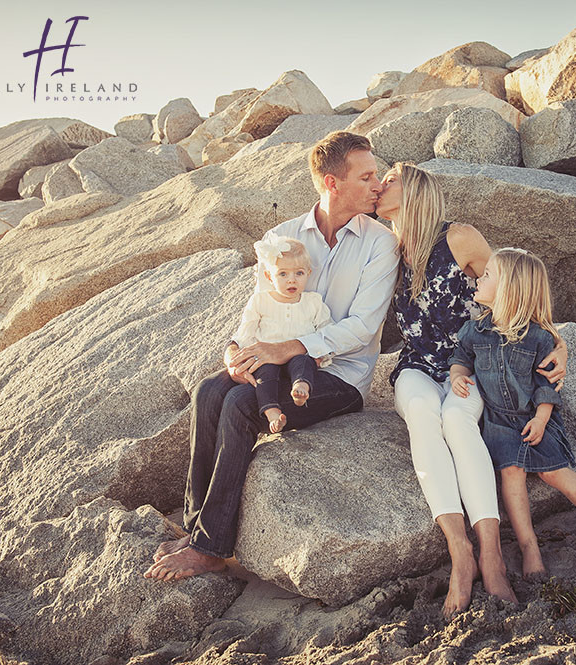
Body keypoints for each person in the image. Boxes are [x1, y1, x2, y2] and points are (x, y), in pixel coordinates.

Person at [145, 131, 399, 581]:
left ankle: (211, 547)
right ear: (331, 183)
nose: (377, 184)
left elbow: (363, 327)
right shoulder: (281, 238)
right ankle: (196, 526)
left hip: (340, 378)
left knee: (242, 406)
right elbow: (258, 310)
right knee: (210, 390)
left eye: (376, 175)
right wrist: (235, 352)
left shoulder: (380, 242)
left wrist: (290, 348)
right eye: (367, 176)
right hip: (272, 363)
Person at [377, 163, 568, 618]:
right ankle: (460, 551)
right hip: (416, 365)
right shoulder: (383, 246)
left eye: (388, 180)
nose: (377, 186)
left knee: (457, 421)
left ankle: (492, 552)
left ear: (415, 190)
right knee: (423, 414)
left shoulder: (459, 238)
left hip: (473, 362)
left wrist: (558, 341)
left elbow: (515, 288)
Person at [448, 248, 576, 577]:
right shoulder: (477, 330)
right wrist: (458, 376)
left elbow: (547, 385)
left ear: (509, 289)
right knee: (511, 474)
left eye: (487, 275)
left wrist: (542, 418)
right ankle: (530, 548)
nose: (478, 278)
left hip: (534, 416)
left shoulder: (538, 338)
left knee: (553, 472)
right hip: (498, 422)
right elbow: (461, 356)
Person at [234, 233, 333, 434]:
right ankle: (272, 413)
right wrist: (240, 357)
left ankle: (301, 388)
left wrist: (322, 356)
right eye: (283, 274)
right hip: (266, 357)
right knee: (265, 376)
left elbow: (327, 331)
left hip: (297, 356)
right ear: (269, 276)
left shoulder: (313, 302)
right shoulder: (260, 301)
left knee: (304, 362)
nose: (291, 280)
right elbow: (247, 330)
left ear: (308, 273)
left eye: (299, 273)